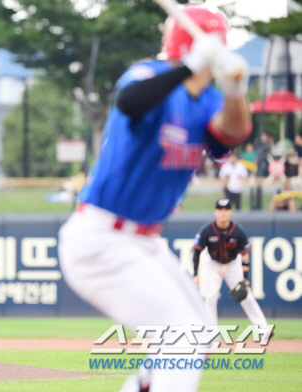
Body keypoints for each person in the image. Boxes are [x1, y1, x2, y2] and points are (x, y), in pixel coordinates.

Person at [57, 6, 251, 392]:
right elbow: (130, 101)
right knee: (181, 335)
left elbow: (231, 134)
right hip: (101, 237)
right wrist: (187, 67)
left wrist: (235, 91)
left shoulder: (209, 100)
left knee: (200, 333)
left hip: (143, 241)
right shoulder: (150, 75)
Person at [192, 198, 270, 333]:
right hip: (213, 264)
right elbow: (197, 252)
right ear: (215, 212)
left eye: (226, 210)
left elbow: (245, 256)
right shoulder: (207, 230)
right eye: (220, 210)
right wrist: (195, 274)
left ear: (231, 212)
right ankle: (211, 332)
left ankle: (263, 329)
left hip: (233, 265)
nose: (223, 213)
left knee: (246, 295)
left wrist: (245, 279)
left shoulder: (238, 231)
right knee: (210, 296)